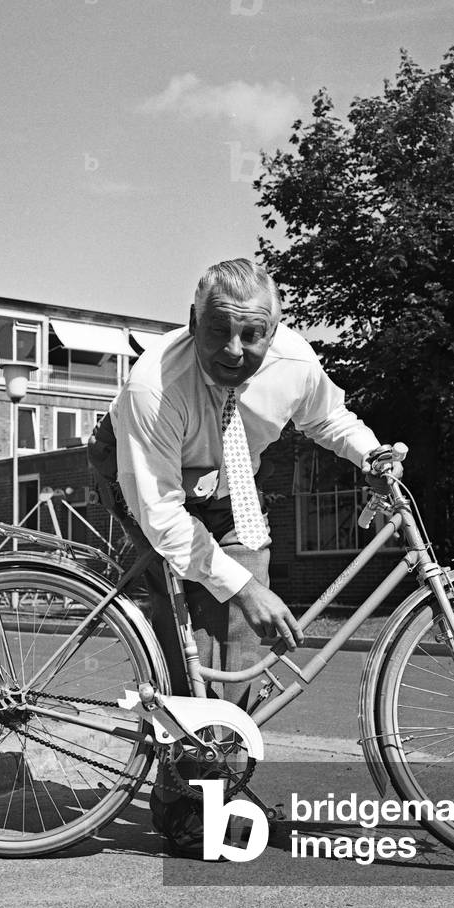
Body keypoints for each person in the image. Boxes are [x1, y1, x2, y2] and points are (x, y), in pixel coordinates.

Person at [87, 258, 394, 856]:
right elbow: (162, 516)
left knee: (246, 643)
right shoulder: (155, 385)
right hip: (144, 481)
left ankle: (218, 774)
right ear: (192, 321)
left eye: (252, 334)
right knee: (189, 635)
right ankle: (183, 802)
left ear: (274, 329)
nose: (234, 349)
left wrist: (372, 454)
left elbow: (329, 418)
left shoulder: (294, 362)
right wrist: (243, 589)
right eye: (218, 331)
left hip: (230, 489)